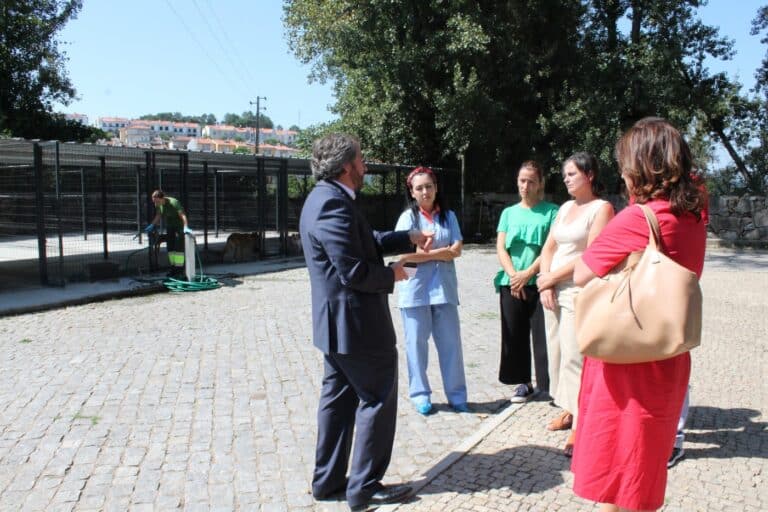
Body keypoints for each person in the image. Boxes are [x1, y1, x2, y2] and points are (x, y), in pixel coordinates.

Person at [571, 117, 707, 512]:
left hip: (626, 356)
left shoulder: (639, 218)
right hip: (666, 352)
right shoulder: (694, 216)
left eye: (626, 165)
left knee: (619, 471)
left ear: (642, 167)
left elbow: (582, 273)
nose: (622, 173)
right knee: (641, 470)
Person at [299, 134, 432, 511]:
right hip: (358, 328)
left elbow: (364, 240)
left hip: (338, 329)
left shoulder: (328, 197)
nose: (366, 165)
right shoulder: (332, 203)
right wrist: (394, 274)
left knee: (338, 403)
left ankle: (328, 482)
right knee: (376, 399)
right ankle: (365, 488)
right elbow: (353, 271)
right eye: (361, 160)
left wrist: (406, 237)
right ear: (346, 166)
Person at [537, 153, 614, 456]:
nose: (566, 178)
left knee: (574, 357)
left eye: (572, 174)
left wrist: (552, 278)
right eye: (565, 174)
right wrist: (546, 281)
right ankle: (569, 409)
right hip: (553, 288)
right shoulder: (566, 207)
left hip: (577, 291)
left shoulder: (601, 208)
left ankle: (582, 424)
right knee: (556, 354)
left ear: (589, 175)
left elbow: (591, 255)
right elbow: (549, 247)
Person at [395, 166, 468, 415]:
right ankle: (420, 395)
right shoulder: (408, 219)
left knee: (451, 345)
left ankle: (457, 396)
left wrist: (427, 253)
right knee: (416, 345)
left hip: (444, 289)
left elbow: (457, 250)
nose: (425, 192)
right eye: (419, 188)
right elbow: (404, 255)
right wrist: (441, 253)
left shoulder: (449, 217)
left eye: (428, 186)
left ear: (436, 188)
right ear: (412, 192)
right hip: (414, 290)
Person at [494, 160, 559, 403]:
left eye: (531, 181)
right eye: (522, 180)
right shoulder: (508, 213)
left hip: (540, 282)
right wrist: (514, 276)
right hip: (511, 283)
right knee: (514, 335)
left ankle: (548, 384)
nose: (525, 186)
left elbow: (550, 248)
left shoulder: (552, 212)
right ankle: (523, 383)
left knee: (544, 336)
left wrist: (527, 274)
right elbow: (501, 248)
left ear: (540, 183)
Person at [145, 189, 193, 277]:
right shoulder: (158, 205)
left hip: (179, 226)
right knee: (170, 248)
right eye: (154, 202)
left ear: (162, 198)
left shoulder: (174, 203)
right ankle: (173, 269)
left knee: (178, 248)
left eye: (157, 201)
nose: (156, 203)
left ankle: (180, 271)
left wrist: (185, 226)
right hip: (170, 226)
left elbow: (182, 215)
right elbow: (158, 215)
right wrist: (152, 225)